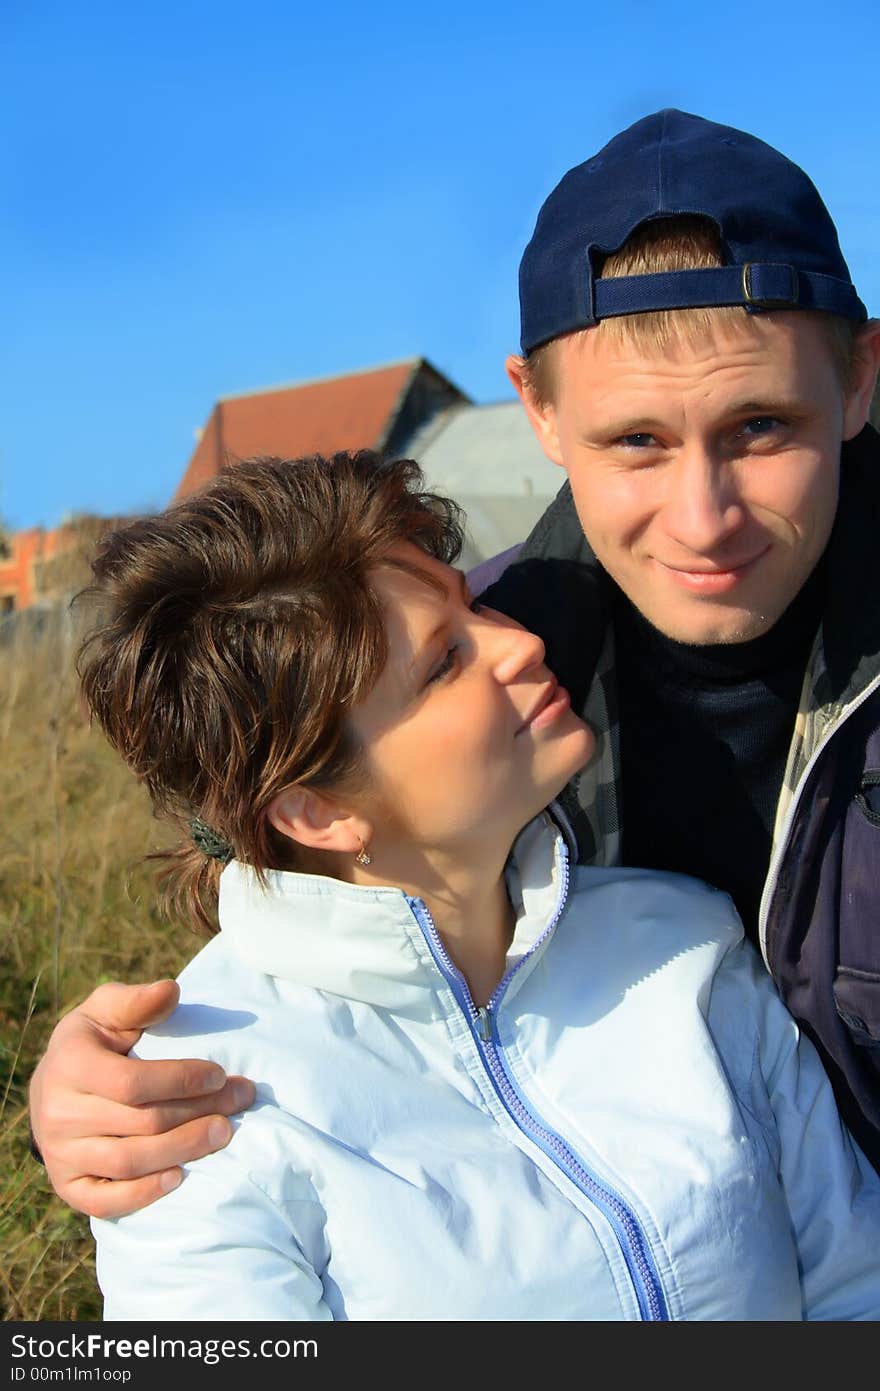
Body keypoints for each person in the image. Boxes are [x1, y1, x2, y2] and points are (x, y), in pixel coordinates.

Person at [28, 109, 880, 1208]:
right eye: (637, 442)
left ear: (859, 378)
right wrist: (103, 1081)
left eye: (761, 427)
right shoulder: (479, 669)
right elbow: (283, 849)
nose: (703, 517)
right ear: (536, 410)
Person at [79, 451, 880, 1320]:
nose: (520, 643)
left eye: (473, 605)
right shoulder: (192, 1101)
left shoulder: (686, 944)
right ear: (314, 810)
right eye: (443, 663)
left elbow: (855, 1286)